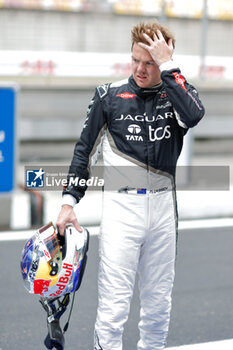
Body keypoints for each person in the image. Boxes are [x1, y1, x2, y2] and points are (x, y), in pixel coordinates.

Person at [56, 20, 205, 350]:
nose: (140, 68)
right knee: (112, 310)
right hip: (122, 212)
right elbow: (85, 151)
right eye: (136, 59)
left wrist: (168, 66)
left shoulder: (177, 96)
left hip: (164, 209)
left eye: (149, 62)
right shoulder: (108, 97)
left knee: (157, 309)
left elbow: (194, 115)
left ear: (164, 60)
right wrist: (69, 201)